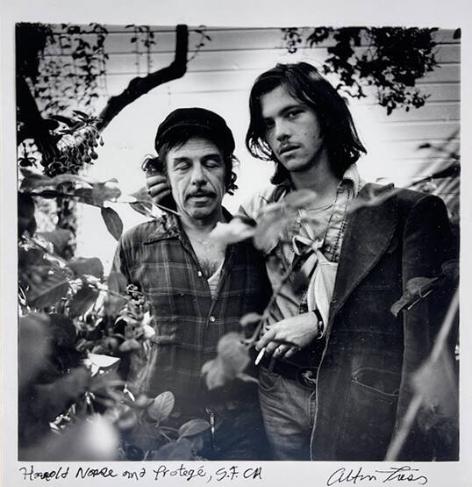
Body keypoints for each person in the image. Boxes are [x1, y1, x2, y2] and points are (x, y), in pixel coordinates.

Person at [146, 63, 457, 461]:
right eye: (268, 124)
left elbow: (420, 332)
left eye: (293, 114)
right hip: (275, 396)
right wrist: (172, 201)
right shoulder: (257, 211)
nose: (280, 132)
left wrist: (320, 322)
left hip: (357, 398)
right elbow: (208, 256)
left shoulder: (397, 211)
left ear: (325, 115)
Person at [113, 107, 271, 460]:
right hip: (158, 434)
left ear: (228, 171)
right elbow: (115, 341)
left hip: (243, 437)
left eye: (211, 163)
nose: (198, 178)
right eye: (183, 165)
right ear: (164, 176)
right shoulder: (136, 243)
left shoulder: (258, 243)